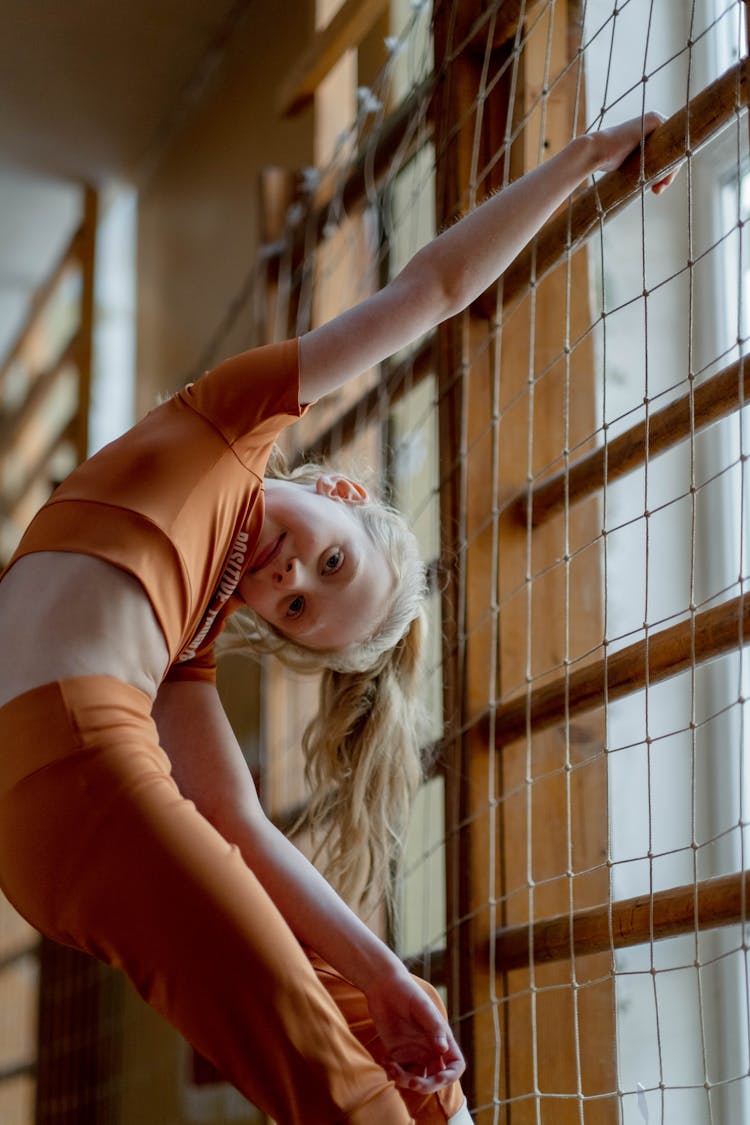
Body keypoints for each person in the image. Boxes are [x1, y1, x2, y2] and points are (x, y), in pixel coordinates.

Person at [0, 113, 674, 1124]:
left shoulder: (183, 646)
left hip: (59, 812)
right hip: (75, 784)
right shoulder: (229, 424)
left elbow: (244, 830)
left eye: (300, 605)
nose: (291, 574)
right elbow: (434, 290)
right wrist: (579, 162)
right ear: (344, 495)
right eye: (328, 558)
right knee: (337, 1080)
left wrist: (389, 975)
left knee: (377, 1027)